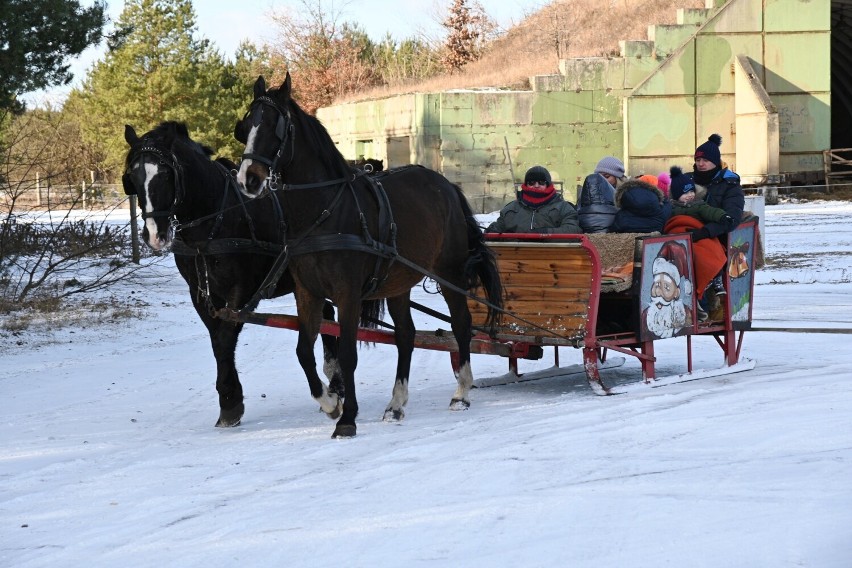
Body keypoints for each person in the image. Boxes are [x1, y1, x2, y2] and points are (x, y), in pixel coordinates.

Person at [665, 134, 745, 319]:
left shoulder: (729, 185)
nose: (701, 163)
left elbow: (731, 219)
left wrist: (704, 232)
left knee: (700, 256)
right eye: (698, 159)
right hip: (686, 231)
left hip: (714, 235)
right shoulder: (687, 180)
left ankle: (700, 305)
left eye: (706, 160)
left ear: (716, 161)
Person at [486, 166, 581, 234]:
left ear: (548, 185)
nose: (536, 186)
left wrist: (545, 233)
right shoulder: (511, 209)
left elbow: (573, 230)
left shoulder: (564, 208)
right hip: (515, 258)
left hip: (553, 257)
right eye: (531, 182)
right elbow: (497, 230)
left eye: (541, 182)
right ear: (526, 184)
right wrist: (492, 231)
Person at [642, 240, 694, 338]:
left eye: (666, 287)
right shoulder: (646, 315)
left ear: (677, 293)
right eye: (656, 285)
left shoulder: (685, 314)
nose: (658, 292)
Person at [577, 156, 623, 233]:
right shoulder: (585, 197)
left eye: (606, 176)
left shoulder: (627, 197)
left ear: (617, 178)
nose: (602, 181)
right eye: (599, 177)